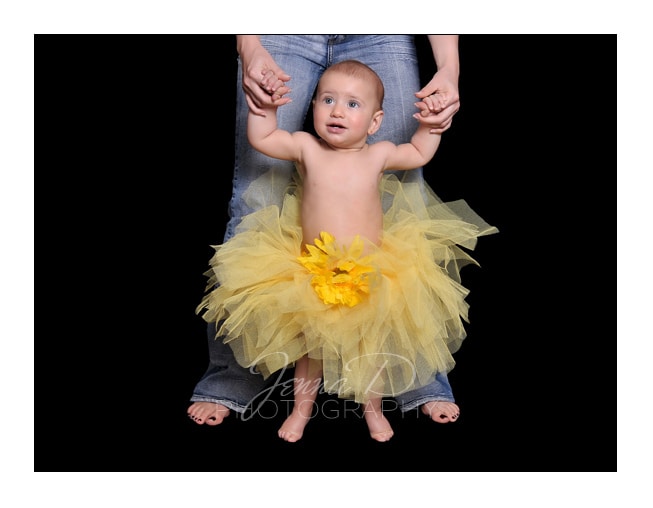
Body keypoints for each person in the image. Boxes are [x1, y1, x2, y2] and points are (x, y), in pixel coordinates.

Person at [196, 59, 498, 442]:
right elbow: (264, 138)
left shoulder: (379, 154)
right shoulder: (307, 147)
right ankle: (300, 411)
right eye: (328, 100)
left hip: (368, 272)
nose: (337, 111)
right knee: (310, 351)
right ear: (313, 107)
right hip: (312, 269)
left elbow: (419, 153)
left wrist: (429, 125)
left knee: (368, 348)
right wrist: (266, 110)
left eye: (353, 104)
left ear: (375, 122)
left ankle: (374, 411)